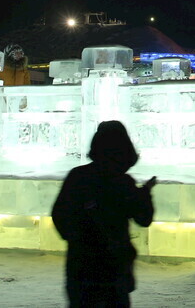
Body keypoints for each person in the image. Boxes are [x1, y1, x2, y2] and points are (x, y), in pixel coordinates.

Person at [53, 121, 156, 307]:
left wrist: (79, 240)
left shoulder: (78, 176)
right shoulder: (123, 182)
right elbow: (144, 219)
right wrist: (145, 194)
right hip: (115, 268)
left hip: (81, 267)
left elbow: (60, 215)